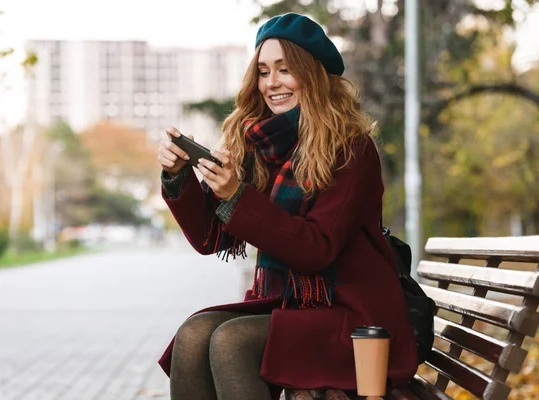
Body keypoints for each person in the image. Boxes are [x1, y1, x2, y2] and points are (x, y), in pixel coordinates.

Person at [156, 12, 418, 400]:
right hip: (296, 308)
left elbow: (317, 248)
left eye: (284, 69)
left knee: (231, 341)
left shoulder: (350, 149)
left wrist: (236, 196)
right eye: (263, 71)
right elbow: (210, 239)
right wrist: (179, 177)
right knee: (194, 334)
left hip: (356, 321)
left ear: (311, 74)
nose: (272, 83)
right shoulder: (260, 148)